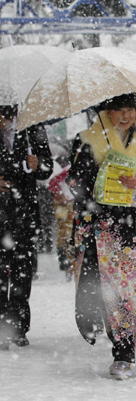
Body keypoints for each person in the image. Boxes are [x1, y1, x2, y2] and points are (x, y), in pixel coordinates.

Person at [66, 93, 136, 380]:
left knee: (129, 294)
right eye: (118, 110)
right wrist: (99, 179)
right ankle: (116, 341)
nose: (125, 116)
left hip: (135, 228)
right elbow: (75, 182)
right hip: (101, 225)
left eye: (130, 109)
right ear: (106, 112)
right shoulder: (88, 140)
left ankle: (124, 354)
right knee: (105, 293)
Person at [0, 105, 52, 350]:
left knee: (22, 271)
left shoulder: (33, 129)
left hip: (25, 214)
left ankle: (19, 326)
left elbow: (46, 169)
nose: (4, 122)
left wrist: (37, 164)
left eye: (8, 116)